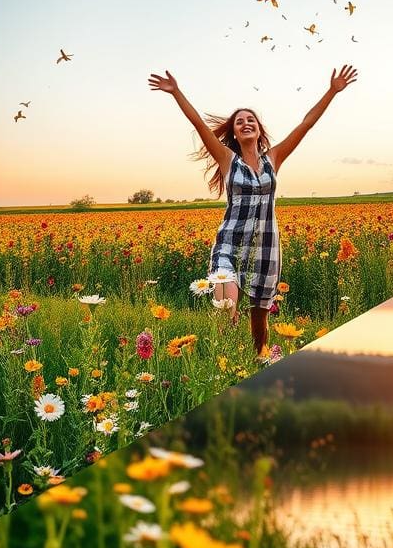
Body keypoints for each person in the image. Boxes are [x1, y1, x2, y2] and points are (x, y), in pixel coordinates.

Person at [148, 65, 358, 352]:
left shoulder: (274, 158)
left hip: (266, 247)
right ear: (234, 133)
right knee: (226, 308)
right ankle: (223, 359)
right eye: (239, 122)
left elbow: (305, 124)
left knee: (260, 324)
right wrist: (176, 92)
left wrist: (332, 91)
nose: (246, 123)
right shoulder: (227, 159)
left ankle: (258, 361)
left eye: (251, 120)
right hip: (230, 243)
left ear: (259, 130)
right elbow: (198, 123)